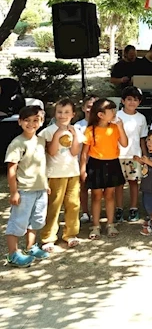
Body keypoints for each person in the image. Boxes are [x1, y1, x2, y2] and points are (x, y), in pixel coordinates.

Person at [5, 105, 49, 267]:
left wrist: (45, 184)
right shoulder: (17, 143)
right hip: (24, 190)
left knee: (36, 220)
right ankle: (13, 254)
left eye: (35, 120)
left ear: (42, 121)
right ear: (19, 122)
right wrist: (14, 192)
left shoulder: (41, 141)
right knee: (18, 222)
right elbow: (12, 169)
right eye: (27, 120)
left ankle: (30, 247)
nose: (31, 124)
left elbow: (41, 165)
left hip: (40, 189)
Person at [81, 99, 129, 239]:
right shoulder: (90, 130)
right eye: (111, 110)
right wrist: (82, 169)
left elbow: (124, 143)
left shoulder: (115, 128)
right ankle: (95, 226)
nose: (114, 113)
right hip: (96, 165)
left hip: (112, 163)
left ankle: (110, 224)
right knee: (96, 196)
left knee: (109, 195)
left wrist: (121, 127)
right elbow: (84, 153)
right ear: (101, 115)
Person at [40, 99, 84, 251]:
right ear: (55, 113)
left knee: (73, 204)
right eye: (59, 112)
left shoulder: (76, 130)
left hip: (73, 172)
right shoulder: (49, 131)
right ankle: (48, 237)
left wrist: (75, 136)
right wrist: (57, 134)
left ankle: (70, 234)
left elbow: (75, 152)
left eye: (66, 112)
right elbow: (51, 152)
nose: (63, 115)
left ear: (73, 114)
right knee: (54, 205)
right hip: (55, 174)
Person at [115, 86, 148, 224]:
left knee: (133, 182)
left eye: (135, 100)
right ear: (123, 101)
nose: (132, 102)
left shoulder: (141, 118)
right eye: (129, 99)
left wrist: (144, 156)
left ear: (139, 102)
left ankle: (134, 208)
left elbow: (142, 138)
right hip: (117, 155)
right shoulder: (116, 116)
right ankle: (119, 208)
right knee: (118, 183)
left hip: (134, 155)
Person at [75, 95, 97, 223]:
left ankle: (95, 212)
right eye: (88, 106)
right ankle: (85, 212)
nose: (91, 109)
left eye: (94, 107)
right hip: (81, 161)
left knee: (96, 189)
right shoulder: (78, 126)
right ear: (83, 108)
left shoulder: (101, 125)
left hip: (97, 162)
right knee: (83, 187)